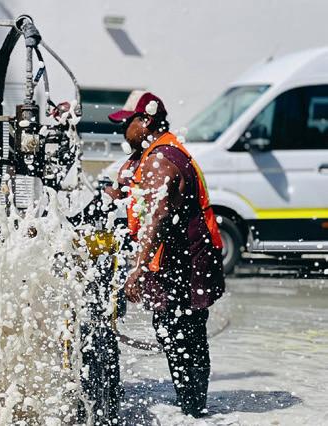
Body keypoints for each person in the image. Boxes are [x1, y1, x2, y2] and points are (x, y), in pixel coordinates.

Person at [105, 91, 226, 417]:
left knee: (182, 333)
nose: (122, 130)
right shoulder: (154, 154)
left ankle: (193, 410)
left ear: (145, 121)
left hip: (185, 262)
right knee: (177, 331)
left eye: (127, 122)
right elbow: (134, 199)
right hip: (183, 259)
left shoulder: (162, 159)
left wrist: (138, 268)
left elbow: (156, 217)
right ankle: (193, 406)